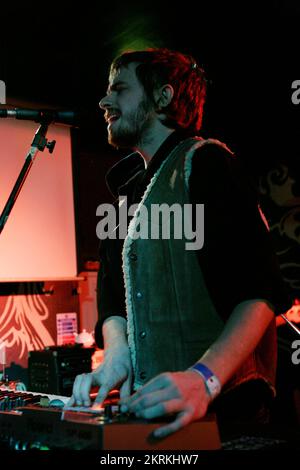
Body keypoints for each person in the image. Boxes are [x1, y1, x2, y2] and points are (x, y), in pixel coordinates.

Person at [69, 48, 291, 438]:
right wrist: (117, 354)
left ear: (163, 97)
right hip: (157, 416)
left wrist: (203, 379)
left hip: (229, 420)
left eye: (119, 89)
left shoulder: (206, 163)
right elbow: (114, 294)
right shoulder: (128, 192)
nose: (104, 101)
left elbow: (260, 292)